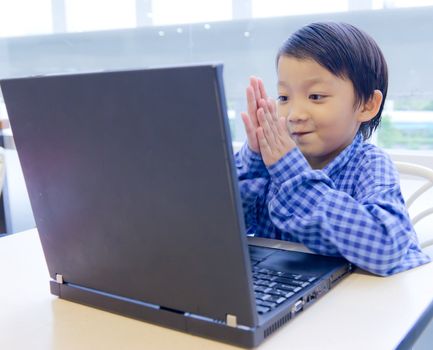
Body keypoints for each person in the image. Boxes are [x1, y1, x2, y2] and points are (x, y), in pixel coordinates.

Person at [235, 21, 430, 276]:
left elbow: (387, 247)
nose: (294, 114)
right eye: (283, 97)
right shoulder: (270, 165)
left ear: (367, 105)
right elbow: (220, 228)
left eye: (315, 96)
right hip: (283, 298)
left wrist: (293, 175)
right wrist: (254, 159)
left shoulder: (369, 164)